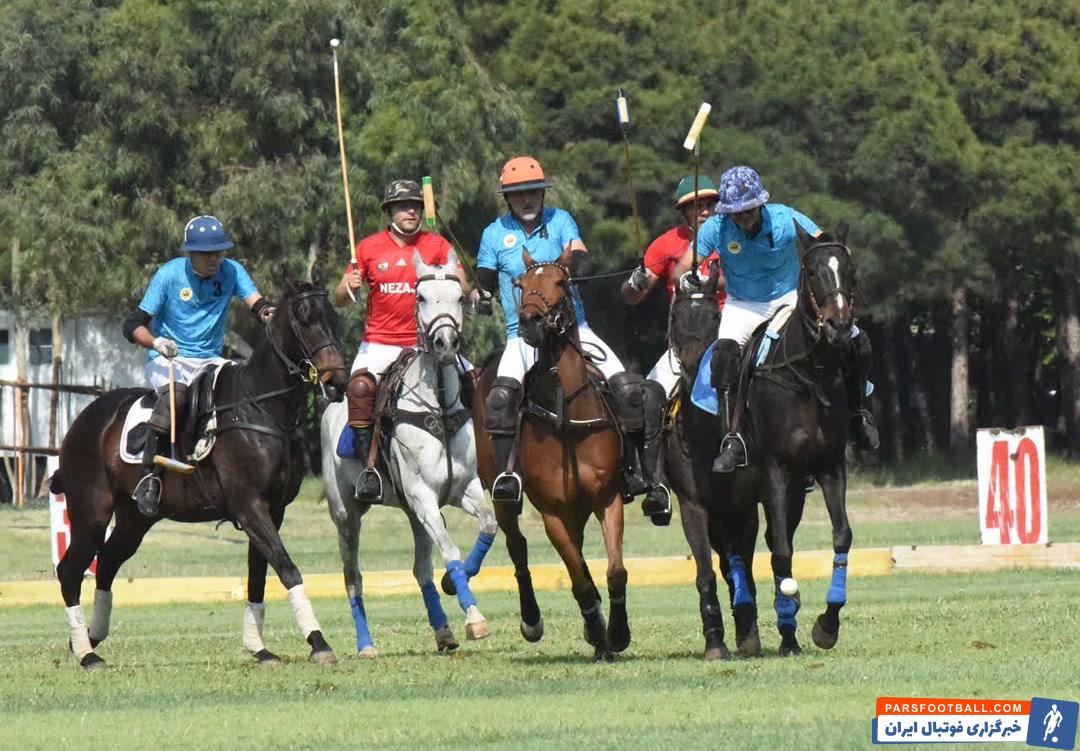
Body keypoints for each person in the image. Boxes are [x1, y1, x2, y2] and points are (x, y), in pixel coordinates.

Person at [474, 156, 648, 505]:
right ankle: (508, 476)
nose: (527, 199)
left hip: (575, 330)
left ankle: (634, 470)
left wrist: (577, 267)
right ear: (507, 198)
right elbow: (485, 281)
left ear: (542, 193)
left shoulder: (561, 220)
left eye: (533, 191)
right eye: (519, 193)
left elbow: (581, 255)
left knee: (627, 388)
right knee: (500, 398)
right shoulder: (494, 233)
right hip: (522, 336)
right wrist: (481, 296)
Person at [697, 166, 878, 473]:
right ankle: (733, 439)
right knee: (724, 357)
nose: (743, 217)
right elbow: (687, 266)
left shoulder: (785, 218)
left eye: (749, 210)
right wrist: (690, 277)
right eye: (736, 213)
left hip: (789, 298)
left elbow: (823, 242)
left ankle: (858, 415)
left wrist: (838, 253)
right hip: (743, 305)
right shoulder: (715, 228)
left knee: (857, 342)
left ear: (760, 204)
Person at [123, 215, 273, 516]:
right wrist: (155, 342)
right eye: (207, 253)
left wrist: (270, 313)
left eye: (219, 252)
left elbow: (257, 303)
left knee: (241, 392)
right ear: (190, 253)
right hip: (169, 358)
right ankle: (149, 476)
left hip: (211, 360)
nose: (215, 259)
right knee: (176, 398)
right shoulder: (169, 275)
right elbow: (132, 325)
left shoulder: (231, 270)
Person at [332, 178, 468, 503]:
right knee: (359, 390)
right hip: (380, 343)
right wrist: (349, 285)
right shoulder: (368, 248)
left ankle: (480, 461)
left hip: (426, 346)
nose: (411, 211)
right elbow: (339, 299)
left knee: (474, 381)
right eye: (403, 206)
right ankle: (368, 469)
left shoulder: (436, 245)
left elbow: (462, 286)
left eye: (415, 205)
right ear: (389, 211)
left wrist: (452, 277)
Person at [620, 175, 726, 524]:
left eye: (709, 204)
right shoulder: (667, 244)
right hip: (684, 345)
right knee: (647, 397)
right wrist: (634, 282)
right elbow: (632, 297)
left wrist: (711, 280)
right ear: (684, 212)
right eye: (697, 206)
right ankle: (655, 485)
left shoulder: (732, 235)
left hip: (728, 334)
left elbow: (745, 279)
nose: (705, 211)